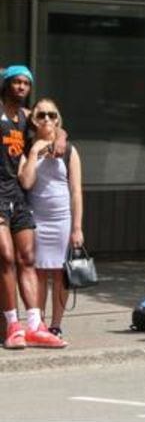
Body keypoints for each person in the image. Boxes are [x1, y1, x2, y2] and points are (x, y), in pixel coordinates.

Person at [1, 66, 66, 350]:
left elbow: (55, 126)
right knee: (6, 257)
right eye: (15, 82)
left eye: (26, 83)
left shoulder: (27, 117)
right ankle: (12, 325)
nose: (21, 87)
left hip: (19, 196)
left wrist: (60, 137)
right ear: (6, 84)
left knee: (28, 258)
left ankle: (35, 325)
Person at [18, 99, 82, 338]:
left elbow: (76, 191)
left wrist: (77, 227)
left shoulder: (70, 150)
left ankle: (56, 324)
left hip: (63, 219)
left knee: (60, 274)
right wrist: (35, 150)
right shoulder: (25, 148)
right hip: (36, 218)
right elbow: (26, 182)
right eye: (42, 115)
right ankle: (39, 323)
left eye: (52, 115)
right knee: (38, 273)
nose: (47, 119)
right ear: (33, 120)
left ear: (58, 119)